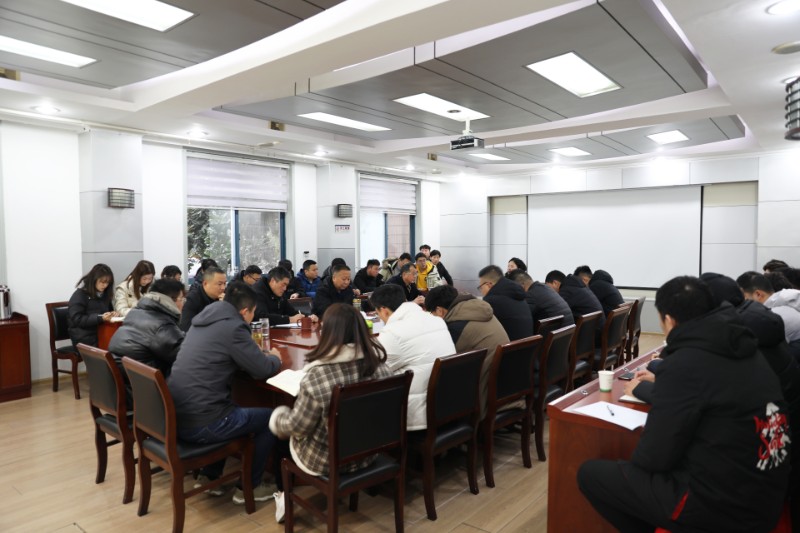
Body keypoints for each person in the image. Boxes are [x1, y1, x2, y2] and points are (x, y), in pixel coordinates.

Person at [579, 276, 790, 533]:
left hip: (724, 507)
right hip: (767, 495)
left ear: (668, 320)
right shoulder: (746, 347)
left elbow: (652, 459)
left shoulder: (686, 362)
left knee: (591, 474)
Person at [268, 303, 393, 523]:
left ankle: (284, 495)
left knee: (281, 437)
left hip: (327, 461)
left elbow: (298, 427)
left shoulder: (319, 376)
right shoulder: (381, 367)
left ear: (328, 333)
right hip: (368, 453)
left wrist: (277, 418)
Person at [168, 281, 283, 504]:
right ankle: (250, 486)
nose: (252, 318)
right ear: (245, 311)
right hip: (203, 423)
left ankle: (209, 475)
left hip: (178, 416)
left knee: (230, 405)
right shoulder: (234, 327)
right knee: (271, 418)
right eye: (253, 313)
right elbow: (262, 369)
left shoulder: (204, 319)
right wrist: (275, 358)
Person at [370, 284, 455, 430]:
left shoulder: (393, 332)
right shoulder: (436, 320)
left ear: (383, 310)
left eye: (377, 313)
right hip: (448, 404)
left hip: (418, 417)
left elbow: (374, 369)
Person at [425, 285, 508, 418]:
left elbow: (443, 361)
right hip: (505, 386)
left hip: (484, 395)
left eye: (432, 314)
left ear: (439, 310)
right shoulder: (478, 309)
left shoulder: (457, 326)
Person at [108, 278, 186, 377]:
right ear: (170, 300)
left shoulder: (135, 312)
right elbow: (184, 354)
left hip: (125, 374)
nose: (183, 303)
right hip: (144, 380)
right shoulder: (161, 324)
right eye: (182, 299)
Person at [737, 271, 800, 347]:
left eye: (744, 297)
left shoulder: (772, 317)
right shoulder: (788, 302)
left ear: (758, 294)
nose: (741, 303)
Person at [477, 265, 533, 341]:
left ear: (489, 285)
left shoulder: (491, 301)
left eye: (480, 287)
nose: (481, 291)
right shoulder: (519, 296)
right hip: (527, 345)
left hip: (509, 347)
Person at [68, 263, 119, 347]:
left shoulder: (104, 294)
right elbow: (77, 319)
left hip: (101, 333)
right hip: (84, 339)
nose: (105, 285)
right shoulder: (80, 295)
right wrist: (100, 318)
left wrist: (112, 314)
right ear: (94, 279)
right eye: (102, 282)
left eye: (107, 283)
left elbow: (108, 311)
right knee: (114, 349)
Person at [508, 269, 574, 327]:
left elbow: (521, 319)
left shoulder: (531, 295)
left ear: (521, 285)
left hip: (555, 334)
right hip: (566, 333)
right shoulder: (545, 288)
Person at [179, 266, 226, 332]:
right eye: (219, 284)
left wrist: (226, 306)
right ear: (205, 283)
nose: (223, 288)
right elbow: (186, 327)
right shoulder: (193, 299)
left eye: (224, 283)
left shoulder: (225, 298)